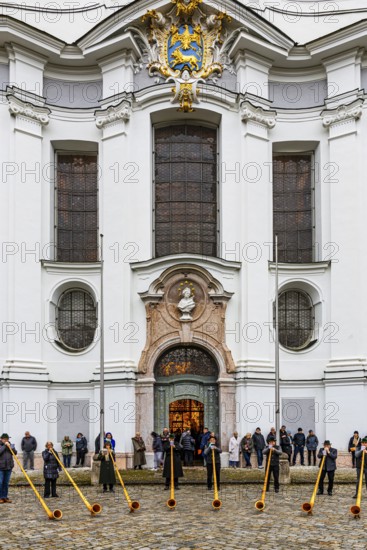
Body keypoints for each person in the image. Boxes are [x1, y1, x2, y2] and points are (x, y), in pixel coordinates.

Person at [0, 433, 17, 504]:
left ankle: (5, 497)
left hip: (8, 467)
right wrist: (4, 446)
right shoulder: (1, 445)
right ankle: (0, 497)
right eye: (5, 439)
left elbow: (15, 453)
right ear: (1, 439)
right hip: (0, 467)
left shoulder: (11, 445)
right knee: (0, 483)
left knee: (6, 483)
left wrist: (11, 447)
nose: (7, 440)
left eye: (7, 439)